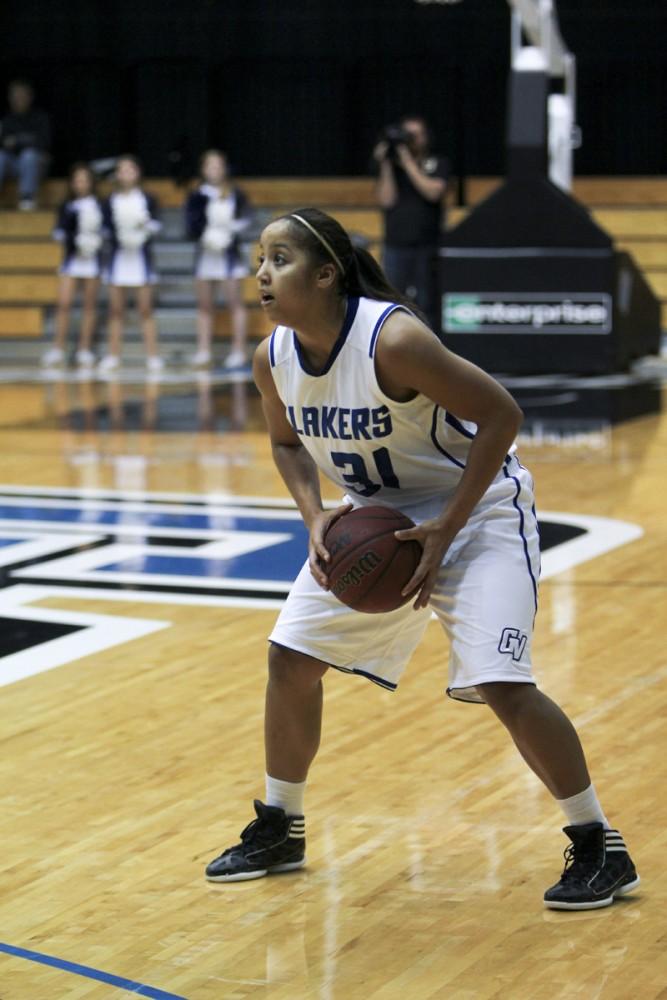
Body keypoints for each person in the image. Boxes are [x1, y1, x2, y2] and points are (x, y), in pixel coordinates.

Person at [204, 207, 639, 911]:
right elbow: (285, 442)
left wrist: (445, 529)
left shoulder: (394, 339)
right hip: (374, 523)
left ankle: (597, 845)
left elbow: (500, 415)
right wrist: (315, 515)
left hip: (476, 511)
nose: (260, 273)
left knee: (502, 683)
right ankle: (280, 824)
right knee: (289, 659)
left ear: (325, 274)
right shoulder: (273, 357)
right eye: (258, 259)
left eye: (278, 259)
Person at [373, 116, 448, 327]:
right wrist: (386, 164)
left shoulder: (437, 162)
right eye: (407, 135)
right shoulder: (392, 167)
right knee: (390, 302)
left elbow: (433, 192)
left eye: (416, 135)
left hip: (427, 245)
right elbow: (387, 200)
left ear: (426, 137)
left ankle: (430, 351)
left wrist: (408, 163)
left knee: (426, 303)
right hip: (395, 245)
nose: (411, 140)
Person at [185, 149, 252, 369]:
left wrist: (231, 230)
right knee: (204, 305)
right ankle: (203, 350)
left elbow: (245, 218)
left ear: (224, 169)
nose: (214, 170)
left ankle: (238, 350)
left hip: (229, 254)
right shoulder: (196, 194)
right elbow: (191, 224)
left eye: (218, 165)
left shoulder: (235, 193)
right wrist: (204, 236)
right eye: (210, 166)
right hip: (206, 254)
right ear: (203, 170)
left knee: (235, 303)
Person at [98, 155, 162, 375]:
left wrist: (145, 226)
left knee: (145, 310)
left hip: (140, 260)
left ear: (138, 172)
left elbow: (156, 224)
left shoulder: (148, 198)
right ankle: (113, 356)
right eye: (122, 170)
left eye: (130, 169)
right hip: (118, 260)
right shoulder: (109, 201)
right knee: (116, 311)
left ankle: (152, 356)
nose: (126, 174)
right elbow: (104, 228)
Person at [42, 163, 103, 370]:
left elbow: (105, 229)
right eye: (77, 180)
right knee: (64, 303)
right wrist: (66, 237)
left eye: (84, 180)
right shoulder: (67, 205)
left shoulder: (100, 205)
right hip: (72, 259)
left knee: (89, 305)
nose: (81, 184)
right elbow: (59, 229)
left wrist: (95, 242)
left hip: (92, 259)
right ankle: (58, 348)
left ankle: (84, 349)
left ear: (91, 182)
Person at [0, 79, 51, 210]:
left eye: (21, 95)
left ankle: (27, 198)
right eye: (15, 96)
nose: (18, 99)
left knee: (28, 155)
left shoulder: (40, 118)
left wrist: (16, 141)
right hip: (13, 164)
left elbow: (43, 142)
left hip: (35, 164)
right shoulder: (7, 121)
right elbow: (4, 144)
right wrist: (25, 141)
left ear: (30, 97)